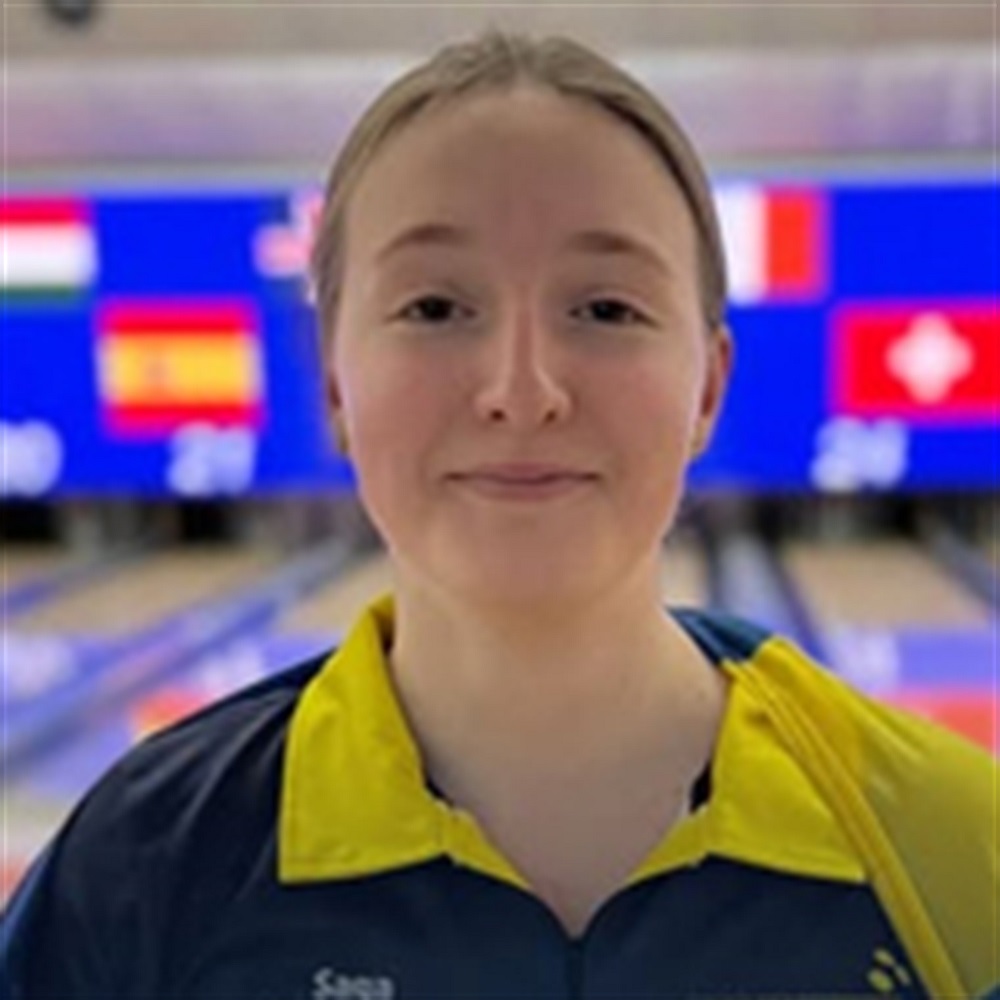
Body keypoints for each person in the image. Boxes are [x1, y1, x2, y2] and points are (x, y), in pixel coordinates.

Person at [2, 31, 996, 1000]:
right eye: (435, 308)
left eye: (605, 309)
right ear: (335, 383)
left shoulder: (958, 850)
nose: (522, 393)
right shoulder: (142, 868)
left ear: (707, 389)